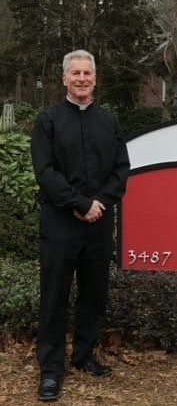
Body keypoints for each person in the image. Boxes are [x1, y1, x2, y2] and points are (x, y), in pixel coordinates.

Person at [31, 50, 130, 402]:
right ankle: (51, 370)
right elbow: (45, 173)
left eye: (87, 73)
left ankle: (85, 355)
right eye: (76, 73)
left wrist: (98, 204)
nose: (82, 79)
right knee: (54, 296)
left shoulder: (109, 121)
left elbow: (121, 170)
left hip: (99, 224)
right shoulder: (48, 120)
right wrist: (80, 203)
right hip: (60, 224)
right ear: (64, 78)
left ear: (95, 78)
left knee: (94, 295)